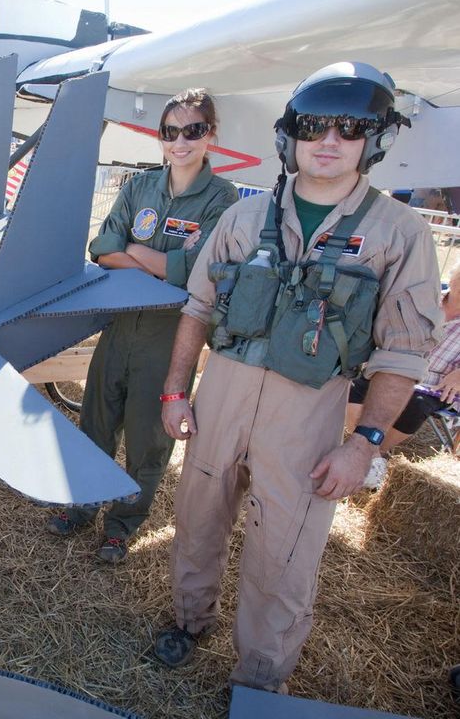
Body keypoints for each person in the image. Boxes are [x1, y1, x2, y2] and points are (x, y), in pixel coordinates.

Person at [152, 62, 442, 693]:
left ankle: (259, 679)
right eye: (314, 127)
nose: (330, 141)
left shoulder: (400, 232)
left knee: (282, 557)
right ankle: (187, 621)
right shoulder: (243, 217)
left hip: (309, 415)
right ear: (291, 136)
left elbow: (402, 354)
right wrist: (177, 391)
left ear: (376, 140)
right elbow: (198, 308)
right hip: (221, 396)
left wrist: (361, 444)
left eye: (350, 128)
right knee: (197, 522)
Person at [44, 89, 238, 563]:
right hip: (120, 325)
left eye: (193, 130)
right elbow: (102, 247)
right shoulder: (139, 188)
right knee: (96, 423)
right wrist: (157, 262)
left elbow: (198, 270)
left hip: (170, 336)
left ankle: (122, 526)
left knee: (149, 439)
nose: (180, 142)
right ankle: (83, 506)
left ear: (210, 135)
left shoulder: (223, 199)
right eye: (170, 132)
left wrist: (132, 254)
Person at [346, 261, 460, 470]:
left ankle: (373, 450)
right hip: (398, 367)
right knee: (351, 389)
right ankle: (369, 451)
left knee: (416, 404)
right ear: (453, 278)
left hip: (435, 386)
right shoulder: (426, 300)